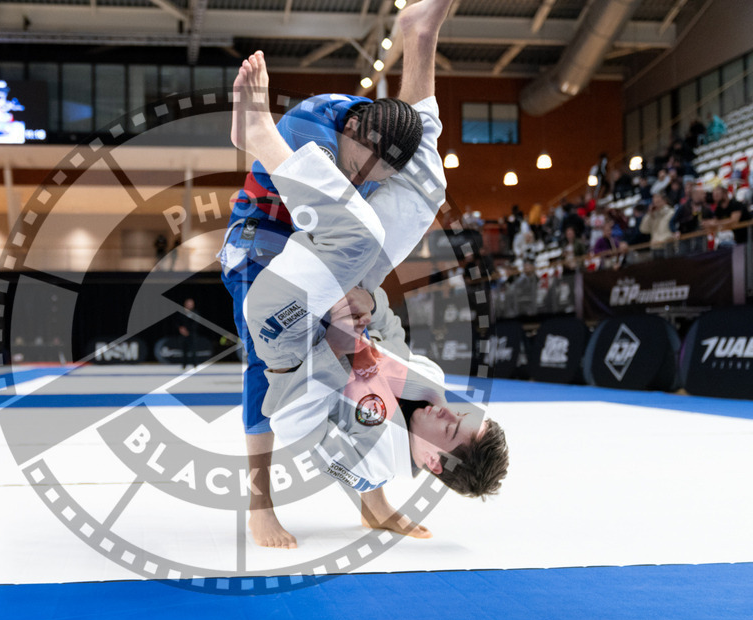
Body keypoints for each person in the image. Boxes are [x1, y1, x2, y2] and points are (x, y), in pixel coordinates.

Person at [232, 11, 507, 544]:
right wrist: (363, 301)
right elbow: (385, 324)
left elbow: (297, 411)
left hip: (285, 335)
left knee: (355, 236)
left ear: (432, 461)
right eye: (462, 412)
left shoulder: (372, 457)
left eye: (450, 427)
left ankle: (260, 135)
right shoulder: (429, 386)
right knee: (426, 187)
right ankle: (419, 37)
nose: (445, 410)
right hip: (326, 292)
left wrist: (339, 332)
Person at [639, 191, 677, 259]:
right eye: (654, 200)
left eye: (658, 199)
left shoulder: (671, 212)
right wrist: (649, 214)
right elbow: (643, 229)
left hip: (666, 245)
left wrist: (660, 209)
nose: (656, 201)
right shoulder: (652, 215)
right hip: (655, 246)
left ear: (664, 200)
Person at [177, 298, 199, 369]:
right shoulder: (181, 312)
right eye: (188, 303)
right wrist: (181, 329)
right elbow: (177, 322)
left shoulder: (195, 313)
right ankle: (184, 365)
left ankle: (195, 364)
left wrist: (188, 331)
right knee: (184, 350)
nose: (189, 305)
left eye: (191, 304)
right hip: (183, 334)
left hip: (192, 334)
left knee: (193, 350)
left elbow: (195, 324)